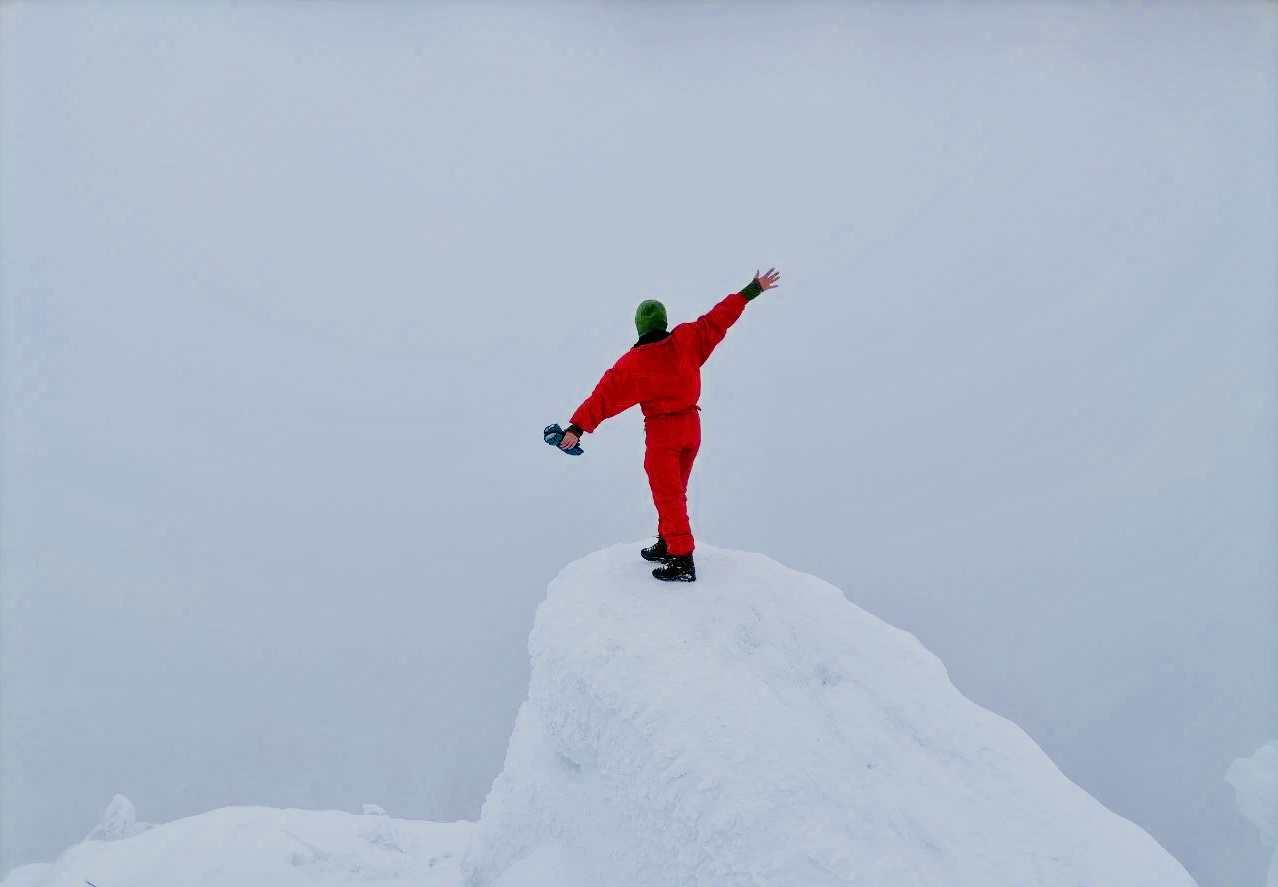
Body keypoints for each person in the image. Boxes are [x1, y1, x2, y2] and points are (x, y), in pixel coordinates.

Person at [557, 268, 782, 582]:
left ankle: (682, 559)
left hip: (664, 434)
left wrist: (576, 428)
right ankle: (667, 541)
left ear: (639, 326)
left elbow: (602, 398)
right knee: (675, 492)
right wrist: (751, 290)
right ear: (663, 321)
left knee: (668, 495)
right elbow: (718, 319)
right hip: (691, 427)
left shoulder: (632, 364)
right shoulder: (687, 339)